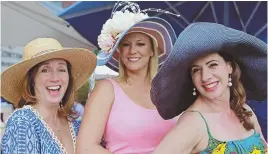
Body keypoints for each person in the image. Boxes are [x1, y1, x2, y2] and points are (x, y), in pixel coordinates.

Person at [76, 2, 179, 154]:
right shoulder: (106, 89)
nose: (132, 51)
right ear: (118, 51)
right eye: (125, 45)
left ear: (152, 50)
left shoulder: (169, 90)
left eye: (140, 44)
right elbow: (85, 148)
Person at [150, 22, 267, 153]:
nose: (205, 77)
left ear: (230, 67)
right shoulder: (194, 124)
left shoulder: (244, 111)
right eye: (196, 70)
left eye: (212, 65)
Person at [1, 38, 96, 154]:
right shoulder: (22, 122)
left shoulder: (74, 122)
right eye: (45, 70)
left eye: (61, 69)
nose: (55, 78)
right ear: (31, 80)